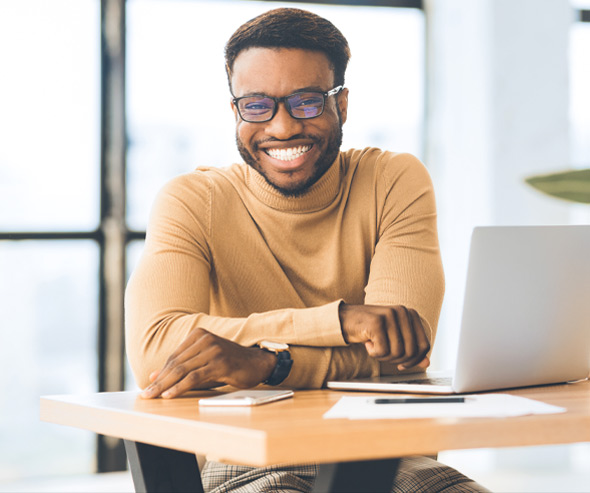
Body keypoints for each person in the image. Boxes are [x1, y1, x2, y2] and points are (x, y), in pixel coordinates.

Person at [125, 7, 489, 493]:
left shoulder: (393, 181)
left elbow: (400, 354)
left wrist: (266, 364)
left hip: (387, 454)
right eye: (257, 105)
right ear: (235, 110)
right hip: (246, 457)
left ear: (342, 105)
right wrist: (342, 322)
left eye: (307, 102)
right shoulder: (193, 200)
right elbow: (156, 350)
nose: (281, 127)